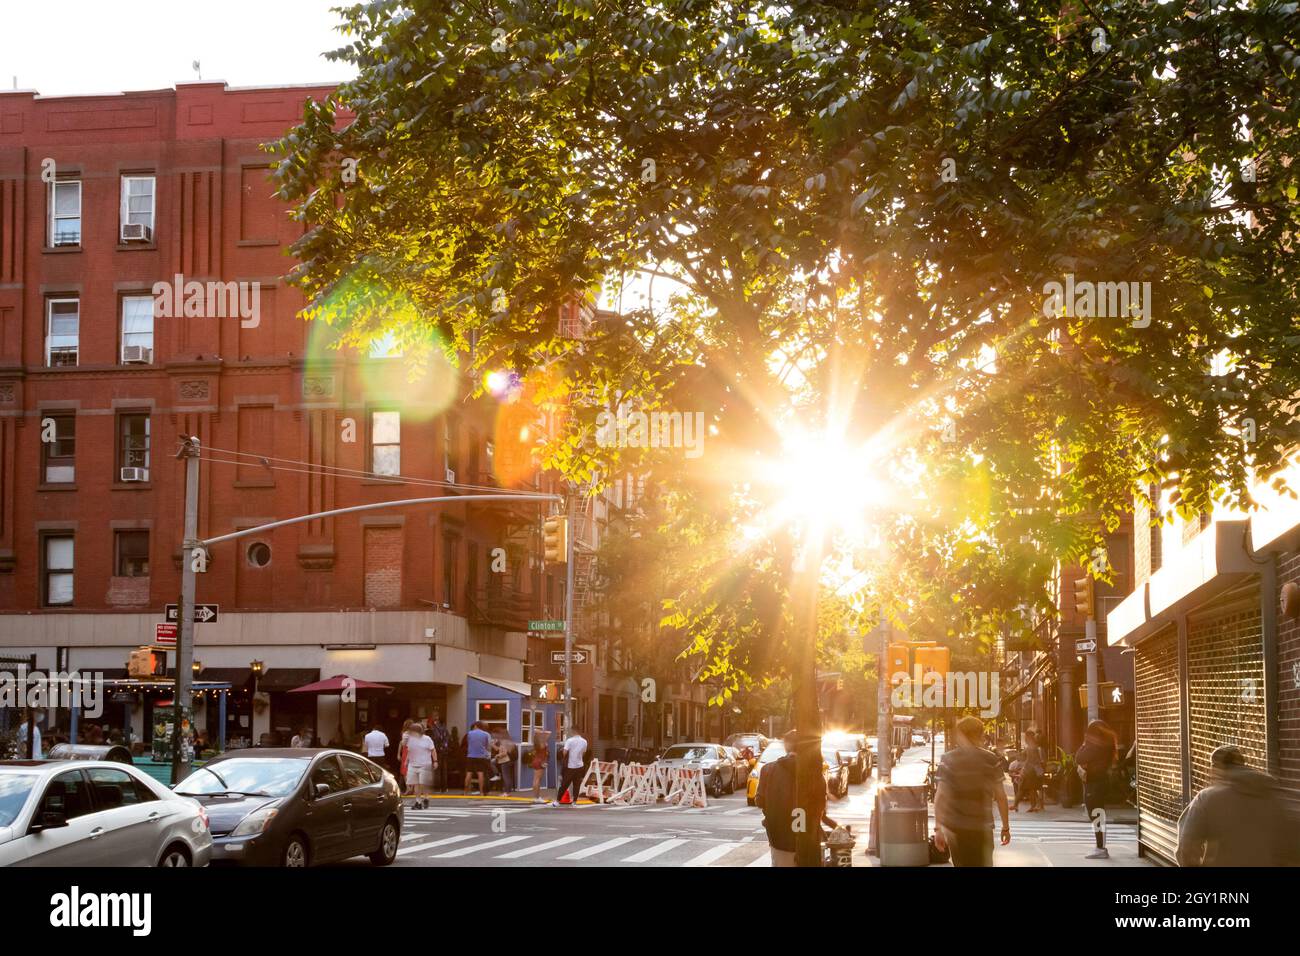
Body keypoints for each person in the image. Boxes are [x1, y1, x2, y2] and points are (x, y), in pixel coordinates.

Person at [1176, 745, 1299, 867]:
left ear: (1216, 769)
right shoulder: (1275, 797)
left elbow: (1186, 849)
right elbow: (1291, 850)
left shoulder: (1206, 799)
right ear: (1242, 765)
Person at [933, 715, 1011, 867]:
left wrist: (938, 829)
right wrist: (1005, 827)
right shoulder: (991, 760)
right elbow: (1001, 797)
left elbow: (941, 796)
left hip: (957, 829)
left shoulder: (948, 759)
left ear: (962, 734)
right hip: (982, 829)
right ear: (980, 735)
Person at [755, 730, 836, 866]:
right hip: (808, 841)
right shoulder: (816, 774)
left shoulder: (768, 770)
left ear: (786, 745)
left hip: (779, 838)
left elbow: (759, 801)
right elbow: (820, 809)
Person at [1075, 719, 1117, 859]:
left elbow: (1079, 758)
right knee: (1099, 814)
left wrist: (1084, 744)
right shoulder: (1107, 745)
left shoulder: (1094, 746)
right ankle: (1100, 846)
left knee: (1096, 814)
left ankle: (1100, 848)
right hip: (1100, 782)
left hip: (1094, 784)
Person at [553, 726, 588, 806]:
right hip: (580, 765)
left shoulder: (570, 741)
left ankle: (557, 801)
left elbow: (564, 752)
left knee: (564, 784)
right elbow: (583, 753)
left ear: (573, 731)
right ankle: (574, 802)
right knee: (577, 785)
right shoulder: (584, 741)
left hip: (570, 766)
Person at [404, 723, 437, 810]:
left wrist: (435, 761)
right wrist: (406, 761)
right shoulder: (411, 740)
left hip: (424, 765)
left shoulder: (427, 739)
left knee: (423, 784)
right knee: (416, 784)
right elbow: (409, 751)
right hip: (413, 764)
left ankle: (426, 797)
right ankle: (418, 802)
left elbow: (433, 750)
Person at [1014, 729, 1045, 813]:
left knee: (1023, 788)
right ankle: (1031, 806)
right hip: (1032, 771)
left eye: (1026, 737)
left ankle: (1017, 805)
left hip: (1030, 771)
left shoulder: (1032, 747)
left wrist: (1023, 769)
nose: (1025, 738)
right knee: (1031, 789)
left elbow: (1030, 760)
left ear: (1029, 737)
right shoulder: (1033, 746)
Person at [464, 721, 494, 796]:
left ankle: (465, 792)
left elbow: (468, 742)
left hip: (471, 756)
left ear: (476, 726)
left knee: (469, 773)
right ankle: (481, 792)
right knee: (480, 774)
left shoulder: (469, 733)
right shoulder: (485, 734)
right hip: (481, 756)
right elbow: (488, 747)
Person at [429, 714, 451, 792]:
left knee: (436, 770)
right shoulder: (445, 729)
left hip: (436, 751)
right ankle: (444, 787)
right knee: (444, 770)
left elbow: (434, 740)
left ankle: (437, 787)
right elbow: (448, 740)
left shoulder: (434, 730)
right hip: (444, 751)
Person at [529, 729, 552, 803]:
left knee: (535, 779)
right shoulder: (542, 743)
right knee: (538, 780)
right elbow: (549, 733)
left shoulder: (536, 742)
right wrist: (541, 732)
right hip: (541, 761)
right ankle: (537, 797)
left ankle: (535, 797)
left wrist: (538, 732)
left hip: (536, 760)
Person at [493, 729, 517, 794]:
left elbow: (504, 753)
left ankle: (506, 792)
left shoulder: (504, 742)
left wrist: (497, 756)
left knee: (506, 776)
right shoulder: (507, 741)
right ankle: (507, 791)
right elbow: (499, 749)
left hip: (505, 761)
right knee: (507, 776)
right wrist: (493, 744)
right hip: (508, 761)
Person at [397, 718, 414, 792]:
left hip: (406, 751)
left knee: (404, 771)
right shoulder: (415, 733)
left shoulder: (405, 733)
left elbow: (403, 743)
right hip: (415, 751)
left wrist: (398, 754)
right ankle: (412, 788)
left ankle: (408, 788)